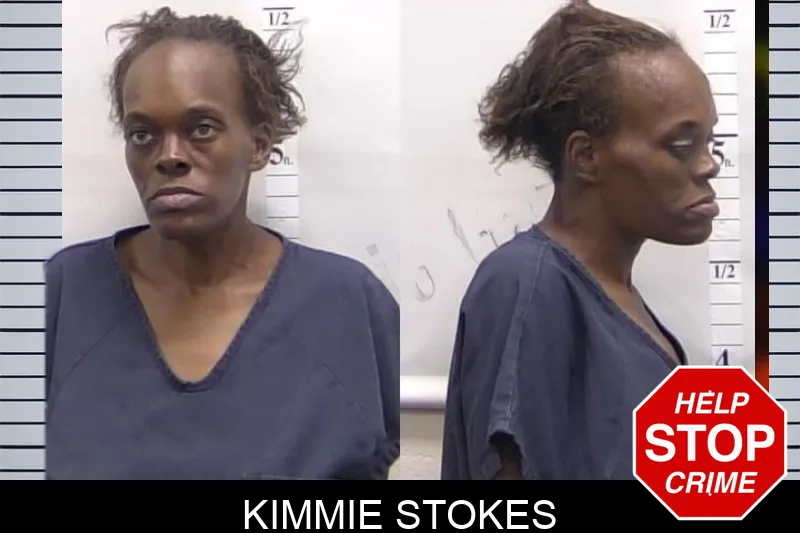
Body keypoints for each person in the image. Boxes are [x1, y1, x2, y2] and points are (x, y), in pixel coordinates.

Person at [45, 7, 399, 480]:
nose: (169, 157)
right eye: (142, 134)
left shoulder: (349, 306)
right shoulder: (60, 297)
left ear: (259, 145)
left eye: (202, 129)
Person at [441, 0, 720, 480]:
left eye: (709, 143)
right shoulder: (527, 287)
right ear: (586, 156)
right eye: (680, 145)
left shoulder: (613, 293)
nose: (708, 165)